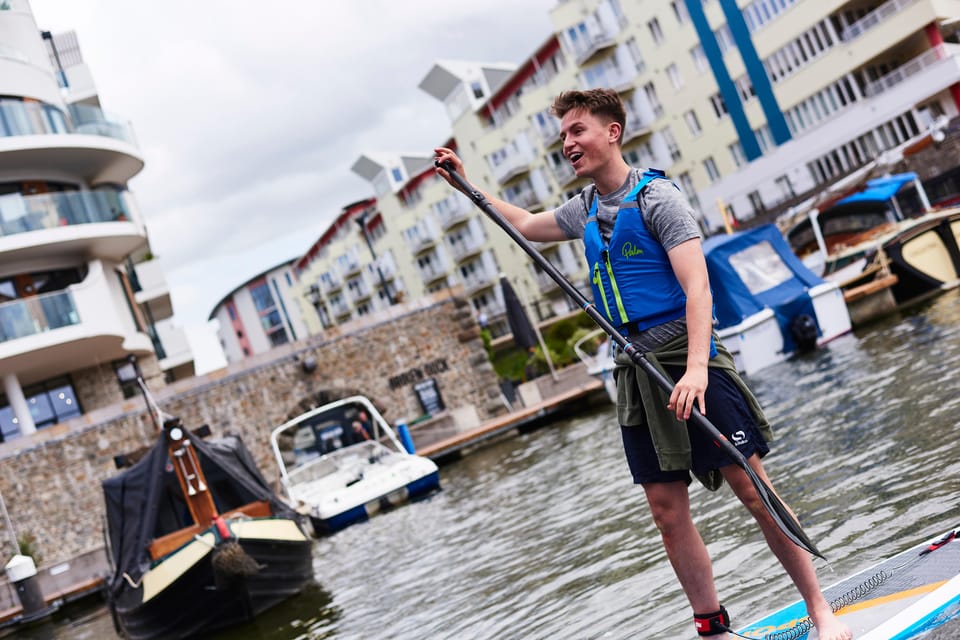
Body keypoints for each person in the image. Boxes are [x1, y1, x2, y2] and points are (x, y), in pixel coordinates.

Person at [434, 89, 851, 640]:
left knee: (752, 486)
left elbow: (698, 288)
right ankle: (714, 628)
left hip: (687, 354)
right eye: (562, 135)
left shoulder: (659, 199)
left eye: (577, 130)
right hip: (634, 368)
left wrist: (698, 370)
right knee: (665, 509)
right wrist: (467, 186)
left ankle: (820, 609)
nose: (567, 143)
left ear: (612, 132)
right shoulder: (582, 208)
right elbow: (528, 224)